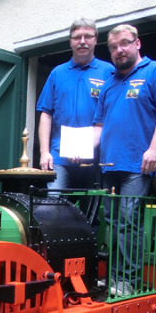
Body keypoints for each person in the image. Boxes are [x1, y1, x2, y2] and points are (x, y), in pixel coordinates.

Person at [93, 24, 156, 296]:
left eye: (124, 43)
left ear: (137, 43)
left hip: (138, 164)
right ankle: (112, 276)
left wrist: (155, 148)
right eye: (113, 47)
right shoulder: (109, 83)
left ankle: (127, 280)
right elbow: (98, 125)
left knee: (129, 221)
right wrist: (83, 150)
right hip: (108, 165)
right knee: (110, 220)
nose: (119, 50)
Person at [37, 18, 113, 191]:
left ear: (95, 39)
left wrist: (85, 147)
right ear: (70, 41)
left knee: (89, 212)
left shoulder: (108, 72)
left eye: (88, 36)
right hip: (59, 157)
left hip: (95, 158)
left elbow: (113, 115)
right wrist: (44, 152)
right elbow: (46, 114)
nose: (83, 41)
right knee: (53, 206)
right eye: (77, 37)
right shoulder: (57, 73)